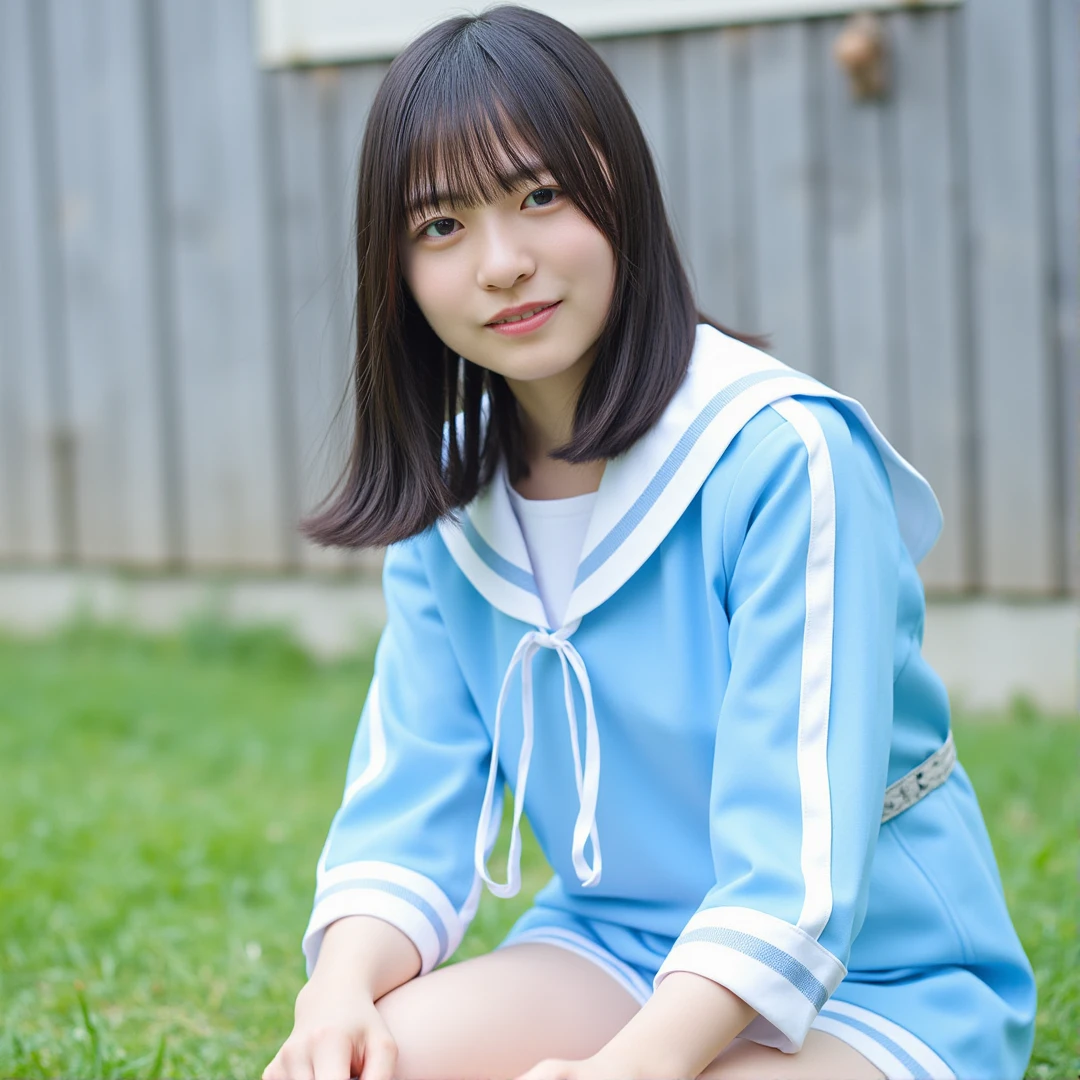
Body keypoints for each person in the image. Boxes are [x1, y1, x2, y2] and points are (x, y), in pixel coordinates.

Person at [262, 7, 1036, 1079]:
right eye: (440, 226)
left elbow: (795, 869)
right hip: (612, 949)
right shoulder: (455, 494)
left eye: (541, 196)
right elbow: (412, 802)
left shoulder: (784, 456)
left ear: (621, 188)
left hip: (876, 977)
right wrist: (337, 990)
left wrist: (638, 1066)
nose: (501, 263)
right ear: (395, 268)